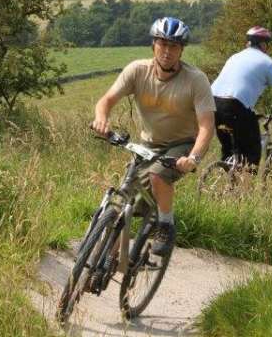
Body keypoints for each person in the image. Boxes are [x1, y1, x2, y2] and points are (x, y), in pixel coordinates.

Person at [91, 17, 215, 255]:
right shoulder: (138, 70)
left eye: (174, 46)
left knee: (159, 176)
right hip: (148, 145)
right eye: (162, 44)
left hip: (182, 145)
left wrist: (194, 159)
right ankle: (103, 262)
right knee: (129, 202)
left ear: (181, 50)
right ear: (153, 45)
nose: (167, 51)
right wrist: (101, 118)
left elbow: (207, 126)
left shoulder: (195, 79)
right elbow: (106, 101)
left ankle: (166, 225)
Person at [211, 26, 272, 167]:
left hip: (212, 104)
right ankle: (246, 188)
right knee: (251, 153)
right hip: (234, 105)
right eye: (267, 44)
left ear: (249, 43)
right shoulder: (267, 62)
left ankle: (226, 182)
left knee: (230, 151)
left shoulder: (234, 57)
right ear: (263, 44)